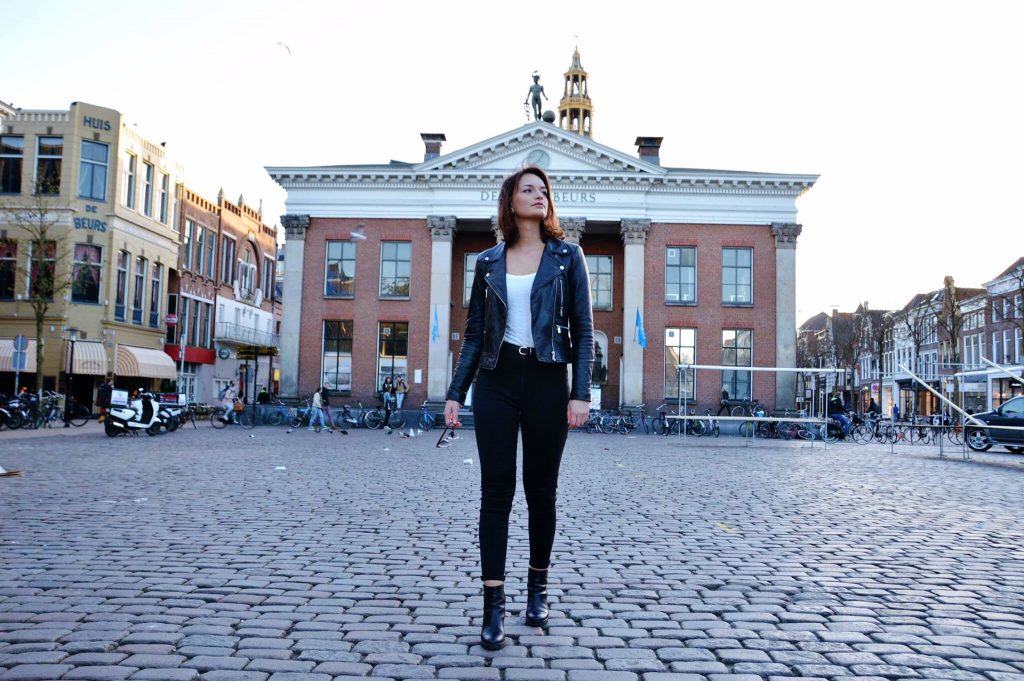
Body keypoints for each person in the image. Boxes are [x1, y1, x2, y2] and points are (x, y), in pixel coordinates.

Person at [444, 166, 594, 650]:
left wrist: (580, 392)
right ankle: (493, 605)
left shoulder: (568, 257)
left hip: (548, 380)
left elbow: (584, 330)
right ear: (510, 201)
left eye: (544, 190)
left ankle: (538, 588)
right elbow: (474, 334)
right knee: (496, 492)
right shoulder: (488, 262)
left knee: (541, 493)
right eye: (528, 189)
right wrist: (455, 391)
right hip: (497, 381)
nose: (539, 195)